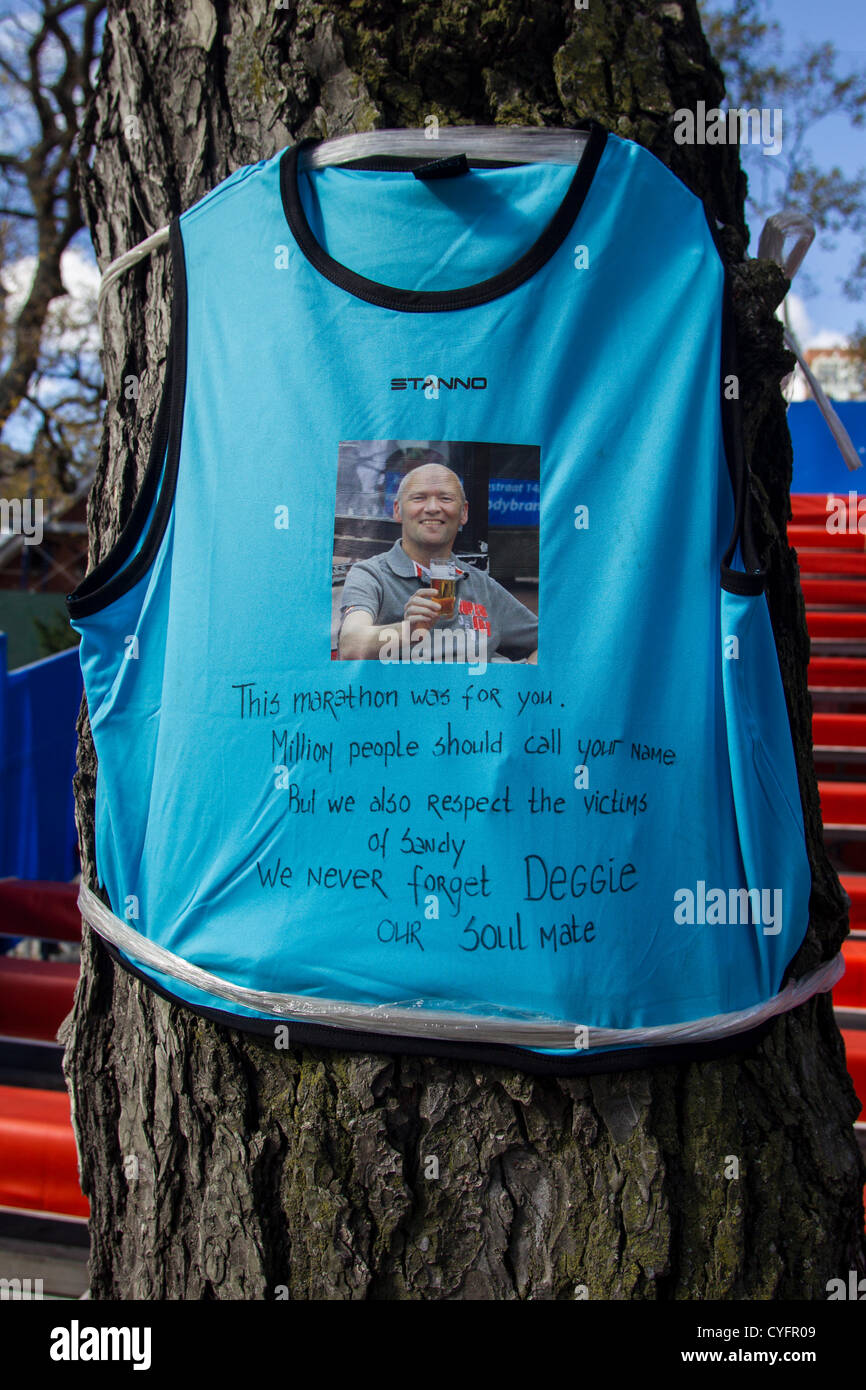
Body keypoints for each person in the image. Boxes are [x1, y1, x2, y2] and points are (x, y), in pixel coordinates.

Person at [338, 463, 538, 662]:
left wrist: (525, 681)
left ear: (464, 512)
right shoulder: (371, 575)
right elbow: (351, 645)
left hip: (473, 694)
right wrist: (407, 630)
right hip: (404, 694)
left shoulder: (482, 586)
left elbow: (552, 643)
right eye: (419, 498)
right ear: (397, 510)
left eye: (445, 498)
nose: (433, 508)